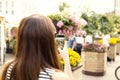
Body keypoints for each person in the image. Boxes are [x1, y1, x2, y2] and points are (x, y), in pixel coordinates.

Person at [0, 14, 73, 80]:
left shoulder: (9, 69)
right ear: (48, 41)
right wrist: (66, 59)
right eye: (53, 35)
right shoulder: (56, 77)